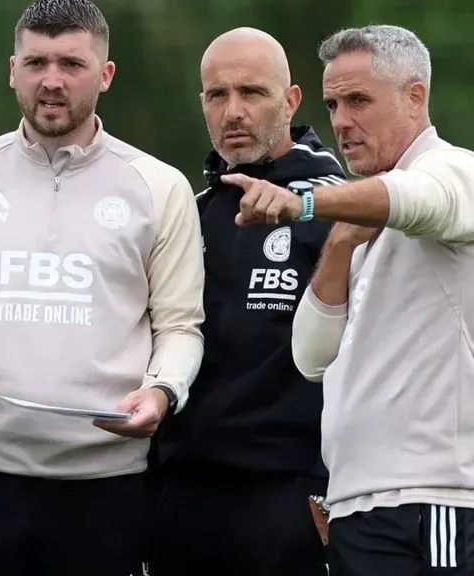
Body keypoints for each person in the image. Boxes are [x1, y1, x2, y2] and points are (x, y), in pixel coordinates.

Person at [0, 0, 205, 574]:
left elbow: (181, 328)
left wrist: (162, 391)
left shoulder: (159, 187)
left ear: (105, 75)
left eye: (72, 64)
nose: (52, 81)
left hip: (107, 488)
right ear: (13, 71)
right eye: (36, 63)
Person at [221, 24, 474, 576]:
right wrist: (340, 241)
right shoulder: (362, 216)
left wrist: (307, 204)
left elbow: (419, 199)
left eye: (358, 101)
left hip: (435, 498)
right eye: (333, 104)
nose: (340, 121)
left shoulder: (458, 170)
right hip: (358, 503)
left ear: (415, 97)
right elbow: (312, 357)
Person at [146, 27, 348, 576]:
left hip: (287, 499)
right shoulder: (190, 213)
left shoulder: (338, 208)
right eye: (218, 95)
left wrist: (324, 491)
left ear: (291, 100)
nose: (233, 111)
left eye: (252, 93)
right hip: (182, 498)